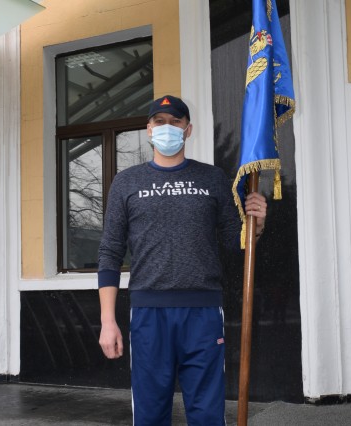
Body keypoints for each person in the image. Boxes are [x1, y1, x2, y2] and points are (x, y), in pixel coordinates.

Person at [97, 95, 267, 425]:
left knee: (207, 413)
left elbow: (235, 243)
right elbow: (110, 252)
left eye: (176, 122)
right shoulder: (126, 182)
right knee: (150, 413)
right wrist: (107, 321)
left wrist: (256, 225)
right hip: (148, 313)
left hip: (203, 312)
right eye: (159, 122)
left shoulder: (213, 178)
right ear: (149, 130)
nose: (167, 128)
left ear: (188, 130)